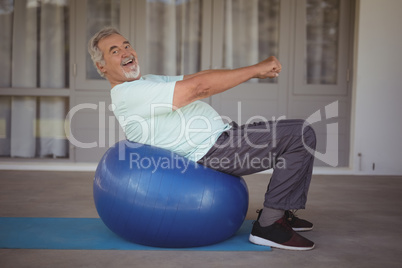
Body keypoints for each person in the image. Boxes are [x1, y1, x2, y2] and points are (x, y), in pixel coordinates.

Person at [88, 27, 317, 251]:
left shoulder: (145, 81)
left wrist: (252, 69)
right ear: (102, 67)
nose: (126, 52)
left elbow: (196, 77)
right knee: (300, 135)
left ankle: (281, 209)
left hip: (224, 137)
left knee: (295, 132)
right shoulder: (128, 94)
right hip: (213, 150)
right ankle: (269, 226)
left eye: (127, 45)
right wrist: (255, 70)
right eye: (115, 51)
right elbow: (199, 88)